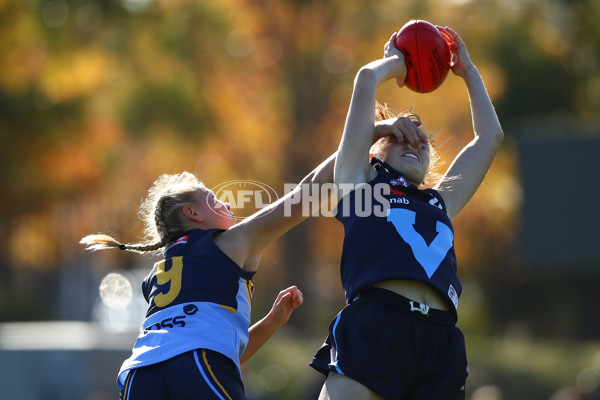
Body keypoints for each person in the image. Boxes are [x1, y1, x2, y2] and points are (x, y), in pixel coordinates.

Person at [310, 26, 504, 400]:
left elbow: (489, 137)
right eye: (398, 138)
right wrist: (395, 63)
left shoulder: (438, 201)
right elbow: (366, 78)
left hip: (441, 337)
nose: (413, 142)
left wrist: (468, 71)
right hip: (377, 324)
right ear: (373, 153)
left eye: (421, 141)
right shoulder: (359, 185)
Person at [81, 153, 335, 399]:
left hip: (138, 374)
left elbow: (220, 352)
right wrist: (360, 139)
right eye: (214, 199)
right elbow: (308, 193)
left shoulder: (156, 275)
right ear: (193, 213)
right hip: (195, 363)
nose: (228, 204)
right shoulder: (229, 242)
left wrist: (271, 322)